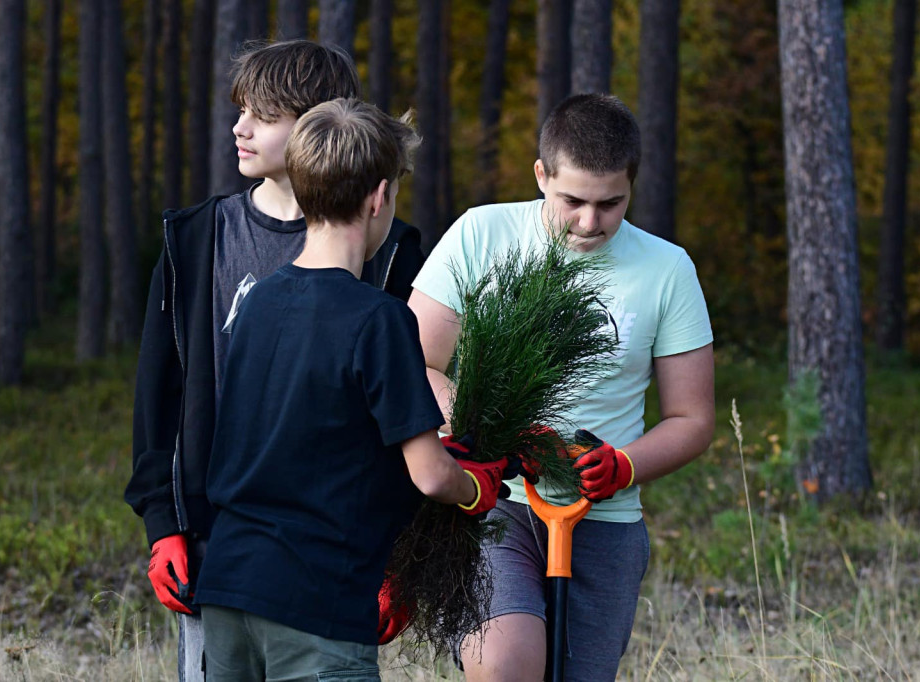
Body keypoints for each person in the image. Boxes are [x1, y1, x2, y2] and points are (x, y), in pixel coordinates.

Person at [124, 40, 424, 682]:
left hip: (335, 559)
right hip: (218, 552)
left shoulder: (388, 253)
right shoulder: (197, 238)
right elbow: (160, 396)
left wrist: (401, 555)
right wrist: (165, 523)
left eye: (263, 114)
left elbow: (406, 420)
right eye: (241, 111)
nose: (240, 127)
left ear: (320, 123)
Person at [193, 97, 515, 682]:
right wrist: (477, 486)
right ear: (379, 195)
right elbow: (431, 474)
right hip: (316, 597)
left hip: (227, 585)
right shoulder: (379, 319)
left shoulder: (258, 301)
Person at [407, 93, 715, 682]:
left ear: (633, 185)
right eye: (572, 200)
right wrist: (483, 430)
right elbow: (415, 364)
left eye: (611, 203)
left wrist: (622, 466)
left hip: (602, 520)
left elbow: (692, 418)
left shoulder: (667, 268)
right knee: (503, 667)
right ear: (541, 175)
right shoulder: (483, 233)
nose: (590, 222)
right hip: (492, 502)